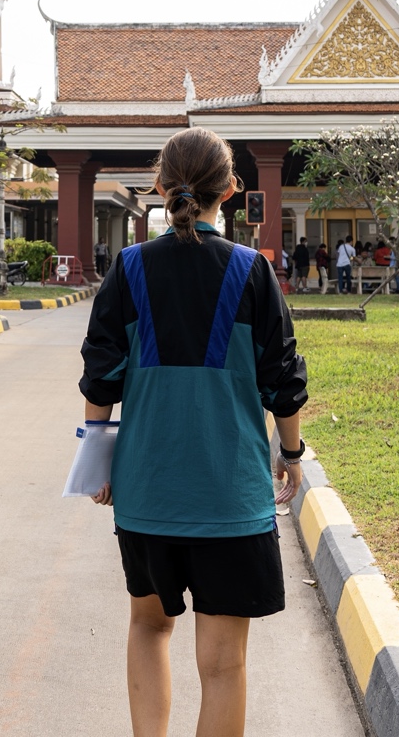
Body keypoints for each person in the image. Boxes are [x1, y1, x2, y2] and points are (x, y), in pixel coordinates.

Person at [79, 126, 308, 737]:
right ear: (231, 191)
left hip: (148, 493)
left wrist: (97, 464)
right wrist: (292, 454)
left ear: (158, 187)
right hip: (230, 497)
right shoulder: (252, 272)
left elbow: (99, 378)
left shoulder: (128, 269)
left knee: (149, 627)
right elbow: (282, 380)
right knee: (224, 666)